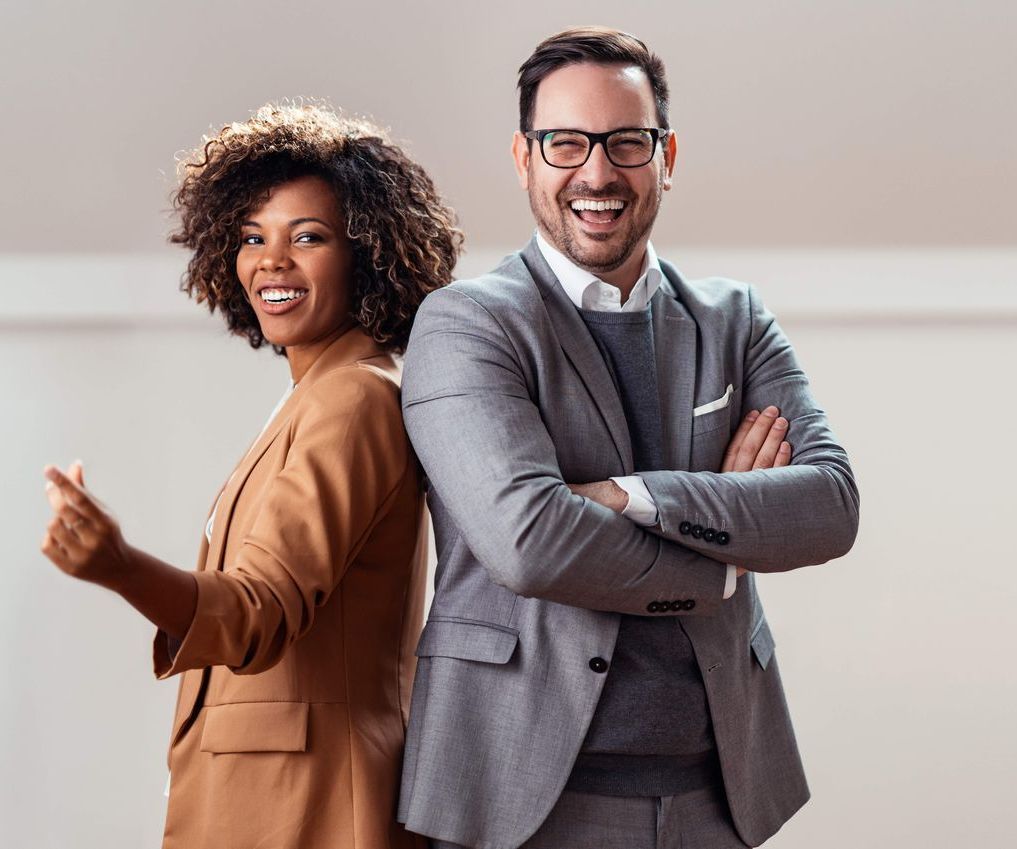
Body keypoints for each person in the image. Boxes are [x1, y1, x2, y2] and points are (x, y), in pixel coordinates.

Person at [397, 27, 859, 849]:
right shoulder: (467, 323)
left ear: (666, 155)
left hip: (719, 793)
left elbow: (828, 506)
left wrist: (628, 496)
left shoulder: (735, 319)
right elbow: (530, 542)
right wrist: (724, 552)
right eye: (565, 142)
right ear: (523, 157)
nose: (597, 173)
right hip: (523, 797)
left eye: (626, 142)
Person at [39, 103, 461, 849]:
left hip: (314, 804)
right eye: (250, 237)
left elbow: (258, 611)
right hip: (278, 795)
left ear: (367, 252)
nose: (271, 260)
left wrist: (119, 565)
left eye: (308, 236)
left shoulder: (354, 398)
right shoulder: (322, 394)